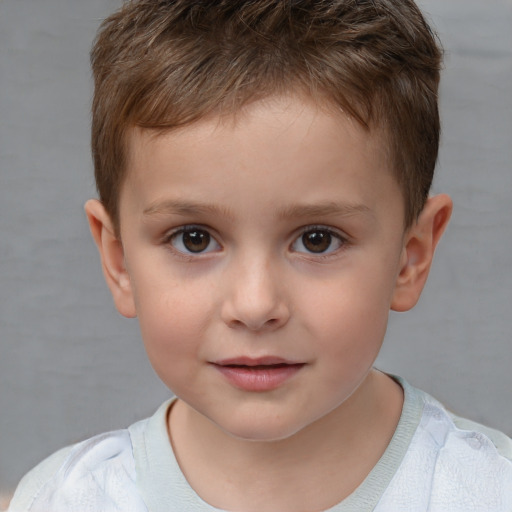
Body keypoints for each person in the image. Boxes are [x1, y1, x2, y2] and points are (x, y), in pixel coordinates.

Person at [8, 0, 512, 511]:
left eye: (318, 239)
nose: (254, 305)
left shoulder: (488, 493)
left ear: (411, 256)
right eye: (194, 239)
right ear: (119, 262)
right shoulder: (66, 501)